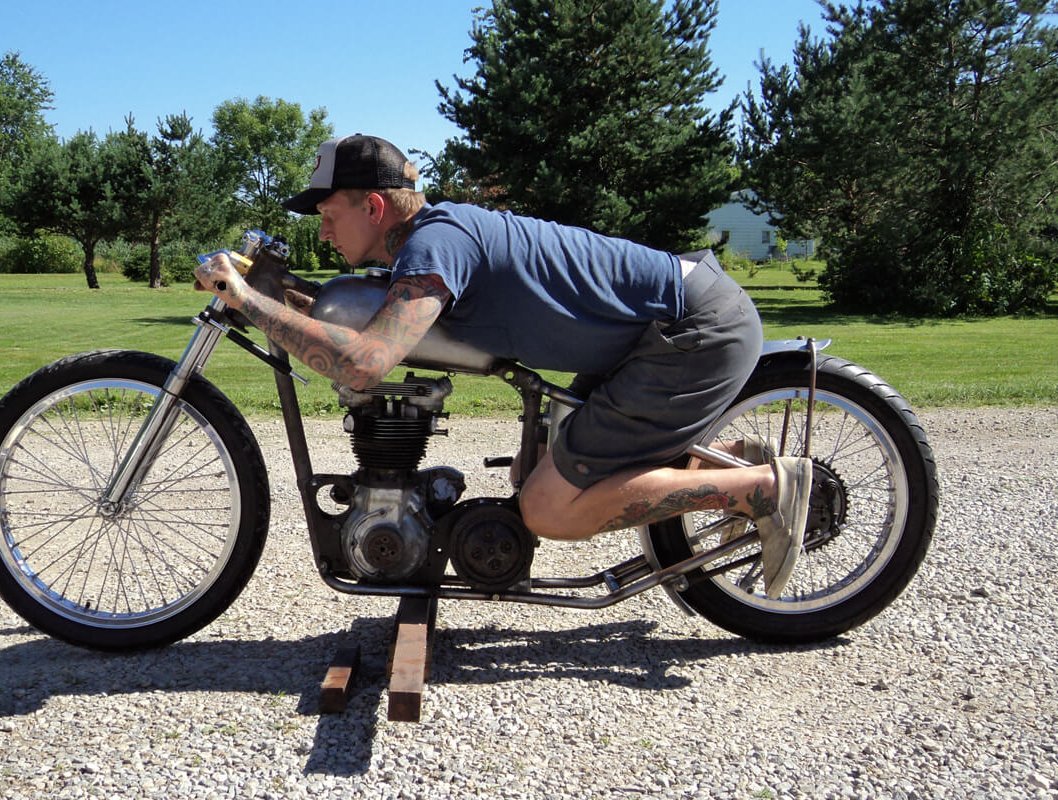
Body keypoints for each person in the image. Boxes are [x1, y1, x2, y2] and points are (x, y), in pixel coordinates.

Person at [195, 134, 812, 597]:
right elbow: (355, 319)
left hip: (690, 329)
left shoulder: (438, 244)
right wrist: (280, 293)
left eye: (329, 215)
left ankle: (761, 491)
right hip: (651, 331)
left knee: (548, 507)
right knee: (533, 468)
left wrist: (245, 301)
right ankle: (730, 462)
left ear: (375, 207)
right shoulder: (430, 242)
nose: (324, 231)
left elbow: (365, 363)